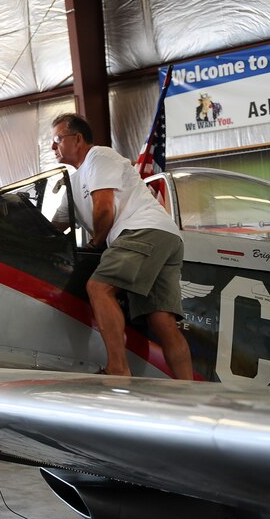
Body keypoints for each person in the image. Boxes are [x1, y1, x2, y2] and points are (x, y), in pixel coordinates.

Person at [49, 112, 193, 379]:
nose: (52, 147)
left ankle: (118, 367)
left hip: (142, 230)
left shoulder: (99, 157)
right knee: (161, 320)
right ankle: (190, 389)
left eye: (57, 140)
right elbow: (56, 224)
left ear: (77, 138)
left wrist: (95, 243)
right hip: (165, 236)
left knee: (99, 288)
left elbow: (104, 209)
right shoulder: (76, 180)